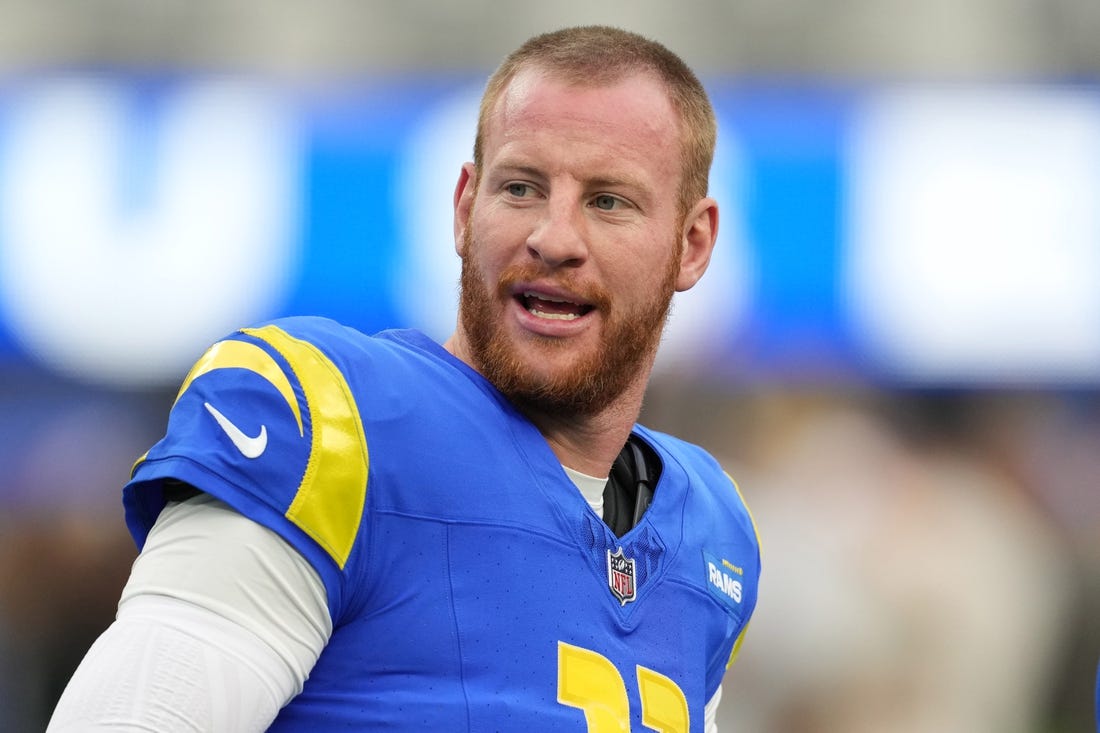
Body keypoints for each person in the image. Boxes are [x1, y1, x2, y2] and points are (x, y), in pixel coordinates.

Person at [47, 25, 760, 732]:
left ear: (692, 244)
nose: (554, 237)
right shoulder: (334, 425)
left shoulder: (711, 532)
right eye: (521, 188)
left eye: (608, 201)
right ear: (463, 208)